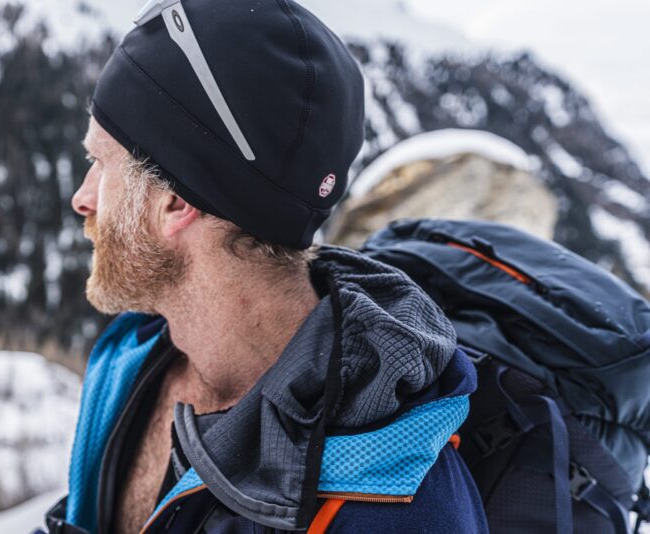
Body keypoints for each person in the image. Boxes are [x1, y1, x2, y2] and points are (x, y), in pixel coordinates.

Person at [43, 0, 487, 532]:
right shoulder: (134, 359)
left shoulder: (395, 502)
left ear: (176, 201)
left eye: (101, 166)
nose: (82, 198)